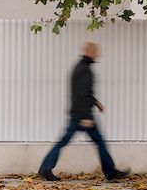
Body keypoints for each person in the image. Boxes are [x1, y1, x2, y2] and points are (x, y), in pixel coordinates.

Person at [38, 41, 128, 182]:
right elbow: (81, 94)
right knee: (96, 141)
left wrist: (97, 103)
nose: (98, 55)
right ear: (89, 52)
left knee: (71, 141)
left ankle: (45, 168)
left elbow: (84, 92)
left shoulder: (81, 67)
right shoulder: (84, 70)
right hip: (81, 115)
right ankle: (110, 172)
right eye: (95, 52)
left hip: (79, 113)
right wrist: (86, 116)